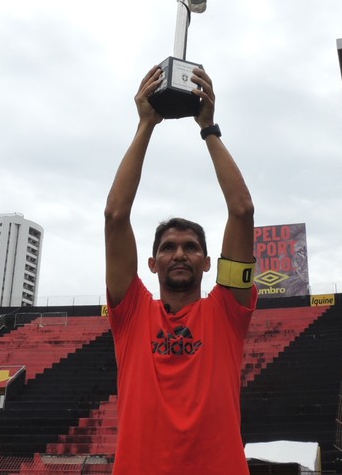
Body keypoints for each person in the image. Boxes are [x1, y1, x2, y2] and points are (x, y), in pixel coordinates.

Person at [104, 65, 257, 474]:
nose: (179, 254)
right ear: (151, 263)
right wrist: (145, 126)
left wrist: (208, 129)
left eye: (191, 247)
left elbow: (241, 211)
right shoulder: (132, 310)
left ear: (209, 263)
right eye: (168, 247)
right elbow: (115, 216)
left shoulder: (227, 309)